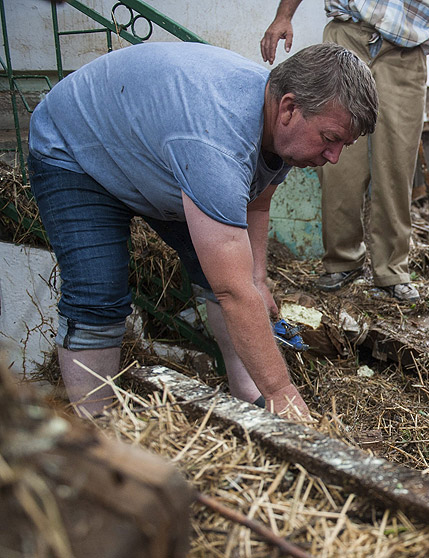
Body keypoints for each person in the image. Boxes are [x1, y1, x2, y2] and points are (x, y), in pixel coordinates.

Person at [27, 41, 378, 418]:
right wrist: (281, 391)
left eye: (344, 143)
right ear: (289, 108)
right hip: (76, 149)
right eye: (330, 139)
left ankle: (247, 393)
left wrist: (258, 277)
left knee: (234, 273)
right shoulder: (217, 142)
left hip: (153, 155)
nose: (334, 157)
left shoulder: (280, 126)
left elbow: (257, 201)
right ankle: (96, 428)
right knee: (98, 289)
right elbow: (232, 291)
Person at [261, 0, 429, 302]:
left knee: (396, 165)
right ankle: (342, 261)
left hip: (405, 54)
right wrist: (283, 16)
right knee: (337, 161)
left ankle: (391, 271)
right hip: (347, 37)